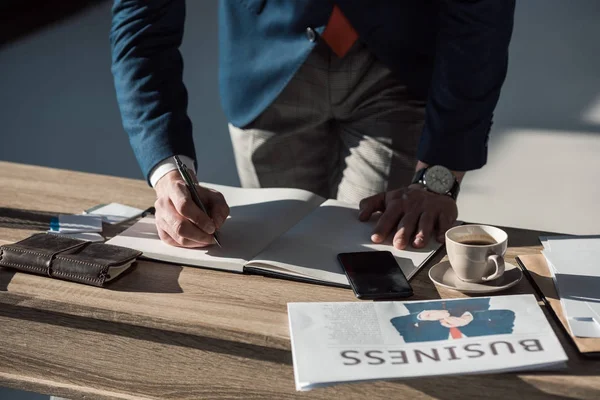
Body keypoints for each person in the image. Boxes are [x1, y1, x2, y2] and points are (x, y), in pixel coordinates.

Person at [110, 1, 515, 250]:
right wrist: (167, 173)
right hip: (266, 67)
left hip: (396, 62)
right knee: (277, 257)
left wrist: (440, 175)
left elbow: (481, 17)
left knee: (372, 256)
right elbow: (142, 21)